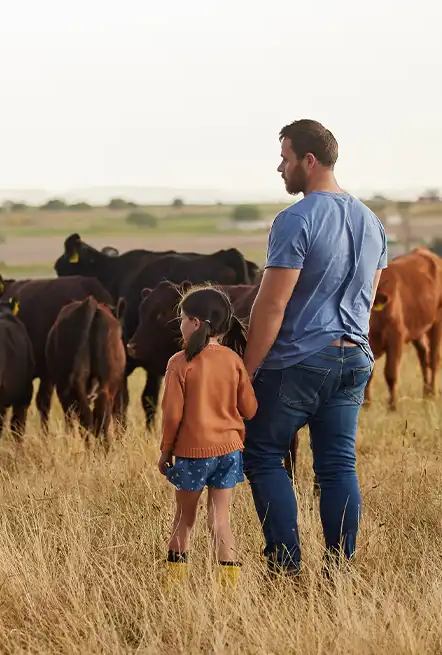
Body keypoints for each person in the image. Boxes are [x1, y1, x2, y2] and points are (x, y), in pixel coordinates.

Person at [239, 119, 389, 578]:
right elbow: (368, 296)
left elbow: (271, 305)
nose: (279, 167)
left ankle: (285, 568)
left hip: (301, 360)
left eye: (285, 158)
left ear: (308, 160)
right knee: (338, 464)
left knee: (262, 454)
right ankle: (339, 570)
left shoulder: (295, 220)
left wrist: (244, 373)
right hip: (355, 357)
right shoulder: (371, 221)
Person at [156, 286, 258, 589]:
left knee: (184, 521)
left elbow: (172, 415)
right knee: (220, 521)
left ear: (196, 323)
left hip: (192, 453)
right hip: (229, 452)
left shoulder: (179, 363)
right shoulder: (232, 360)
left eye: (183, 318)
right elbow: (250, 410)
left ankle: (172, 589)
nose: (181, 324)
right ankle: (229, 591)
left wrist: (165, 452)